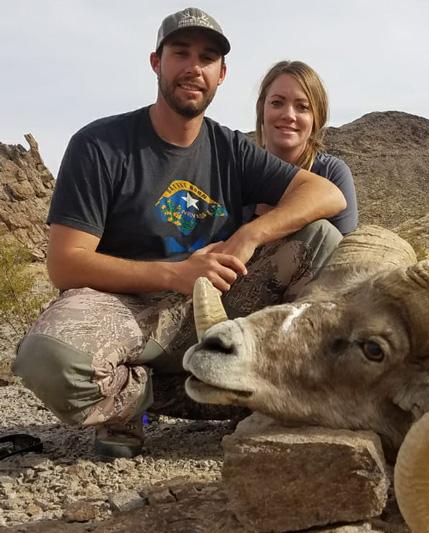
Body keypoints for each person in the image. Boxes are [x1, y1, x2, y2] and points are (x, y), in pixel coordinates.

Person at [12, 7, 347, 459]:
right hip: (124, 307)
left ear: (221, 74)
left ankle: (275, 391)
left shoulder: (229, 147)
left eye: (207, 58)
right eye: (181, 53)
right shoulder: (99, 145)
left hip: (209, 307)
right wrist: (174, 274)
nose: (194, 67)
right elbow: (66, 264)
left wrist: (249, 235)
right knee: (48, 360)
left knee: (321, 239)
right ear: (156, 62)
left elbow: (325, 194)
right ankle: (134, 405)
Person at [252, 60, 358, 235]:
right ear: (261, 109)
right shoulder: (238, 169)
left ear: (317, 117)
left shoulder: (331, 172)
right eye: (277, 103)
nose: (289, 115)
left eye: (302, 107)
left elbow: (341, 253)